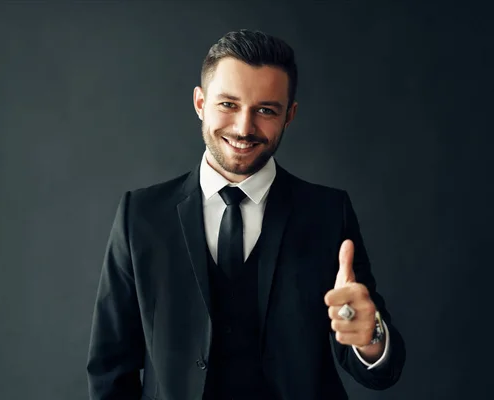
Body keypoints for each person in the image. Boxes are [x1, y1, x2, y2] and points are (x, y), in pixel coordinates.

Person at [86, 29, 405, 400]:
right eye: (228, 105)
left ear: (290, 115)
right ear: (200, 103)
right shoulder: (140, 216)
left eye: (266, 110)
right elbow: (110, 368)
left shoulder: (328, 214)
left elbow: (381, 368)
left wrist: (370, 336)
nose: (243, 128)